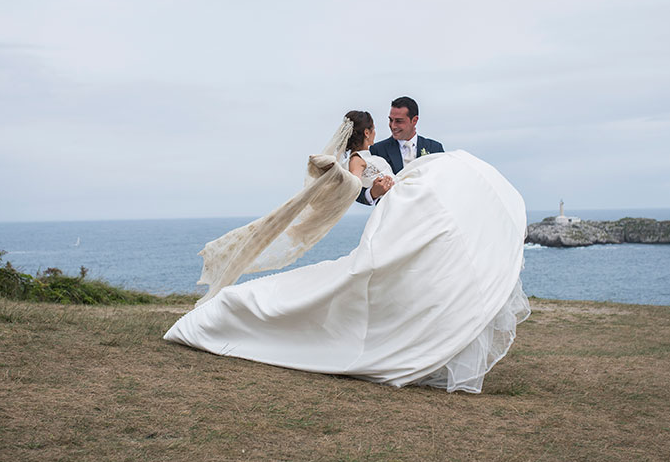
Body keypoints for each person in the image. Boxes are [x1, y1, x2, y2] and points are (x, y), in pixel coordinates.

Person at [164, 113, 530, 394]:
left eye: (395, 120)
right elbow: (359, 188)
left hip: (405, 214)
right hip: (392, 216)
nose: (386, 128)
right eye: (380, 124)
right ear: (367, 132)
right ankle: (233, 313)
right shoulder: (360, 159)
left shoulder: (384, 151)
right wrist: (374, 187)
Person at [357, 96, 444, 205]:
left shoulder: (435, 148)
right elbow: (356, 190)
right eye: (390, 120)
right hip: (392, 217)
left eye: (399, 121)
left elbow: (443, 184)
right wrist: (372, 193)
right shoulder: (378, 150)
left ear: (414, 120)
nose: (393, 126)